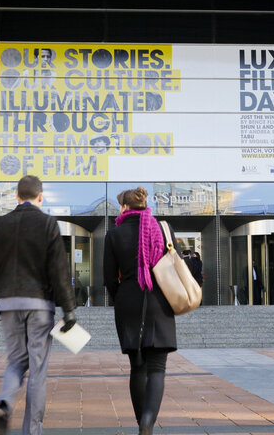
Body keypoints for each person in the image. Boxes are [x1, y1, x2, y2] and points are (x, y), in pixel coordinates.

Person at [0, 175, 77, 435]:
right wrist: (68, 309)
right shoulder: (47, 224)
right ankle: (32, 431)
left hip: (8, 303)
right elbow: (59, 270)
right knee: (38, 368)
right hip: (39, 304)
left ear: (17, 196)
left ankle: (4, 402)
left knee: (15, 362)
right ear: (40, 197)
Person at [103, 186, 179, 435]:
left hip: (128, 302)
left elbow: (108, 278)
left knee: (137, 366)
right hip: (160, 301)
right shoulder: (162, 229)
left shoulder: (114, 234)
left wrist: (121, 298)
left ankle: (141, 425)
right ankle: (147, 422)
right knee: (157, 368)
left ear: (124, 207)